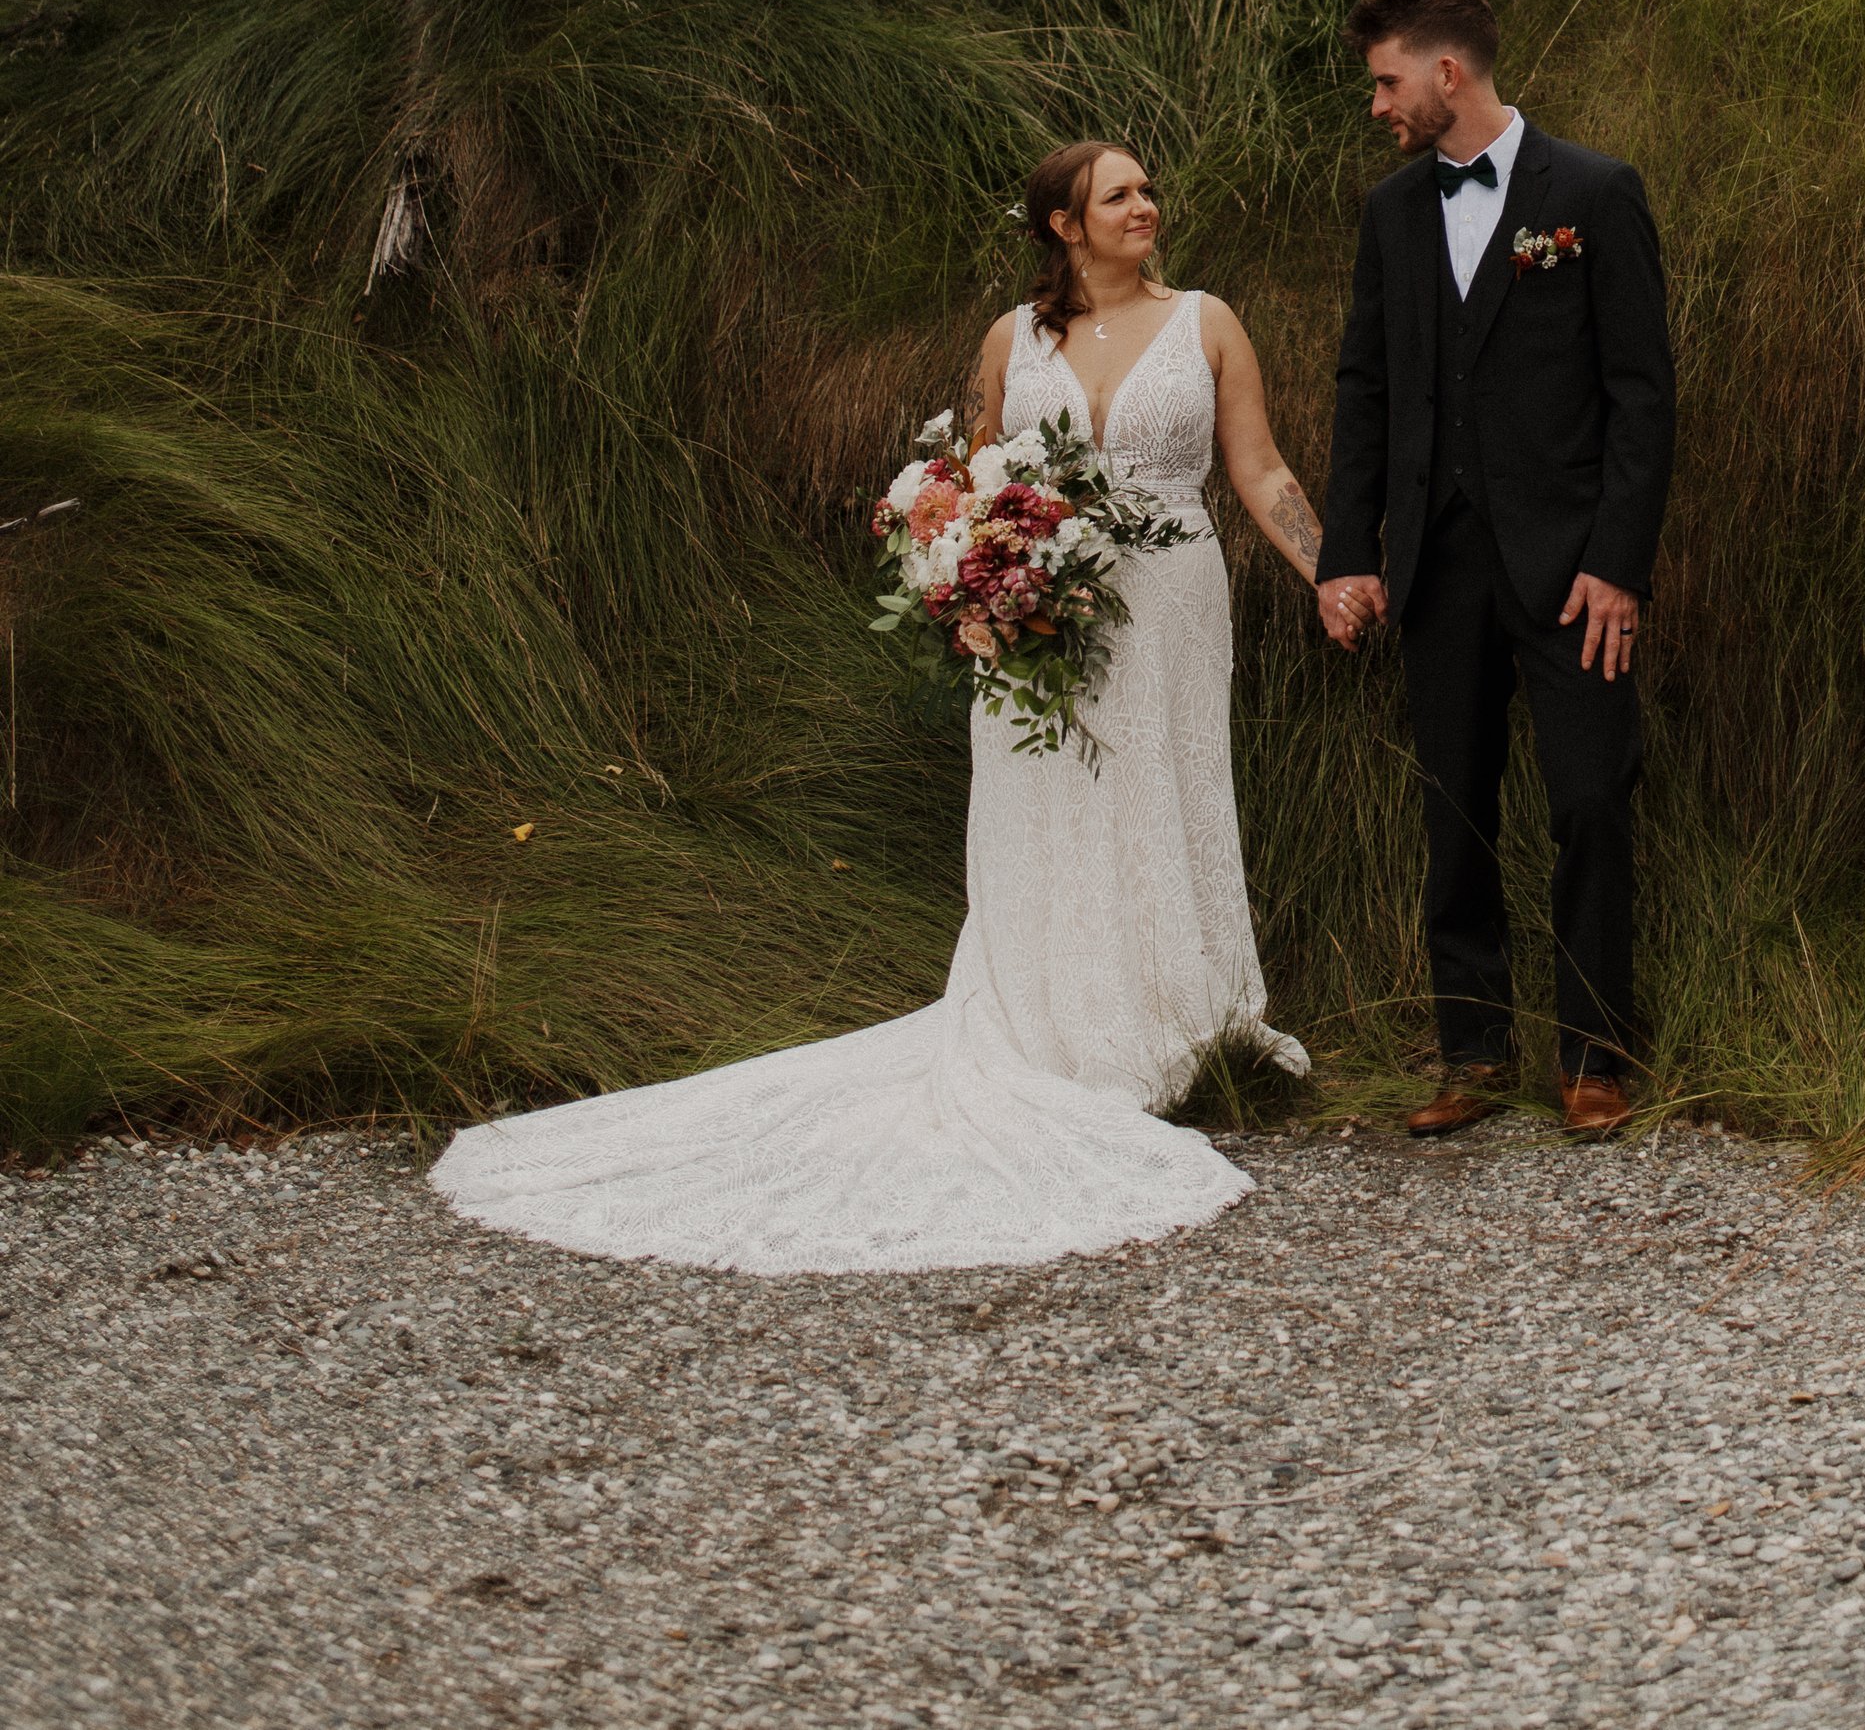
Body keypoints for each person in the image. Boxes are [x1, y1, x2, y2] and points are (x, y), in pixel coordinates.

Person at [431, 143, 1317, 1275]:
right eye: (1119, 194)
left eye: (1147, 190)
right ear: (1062, 222)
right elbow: (969, 485)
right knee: (1046, 798)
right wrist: (973, 583)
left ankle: (1189, 1025)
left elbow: (1261, 468)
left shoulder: (1207, 320)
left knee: (1168, 783)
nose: (1146, 206)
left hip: (1172, 601)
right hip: (1040, 617)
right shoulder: (1013, 339)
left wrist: (1331, 572)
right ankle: (1059, 1027)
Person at [1315, 0, 1675, 1141]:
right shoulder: (1390, 212)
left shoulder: (1595, 191)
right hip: (1437, 564)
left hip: (1573, 568)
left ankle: (1594, 1054)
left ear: (1445, 71)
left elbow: (1642, 395)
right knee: (1453, 809)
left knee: (1588, 802)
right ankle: (1472, 1049)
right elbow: (1363, 389)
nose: (1378, 104)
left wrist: (1619, 561)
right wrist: (1344, 553)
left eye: (1386, 80)